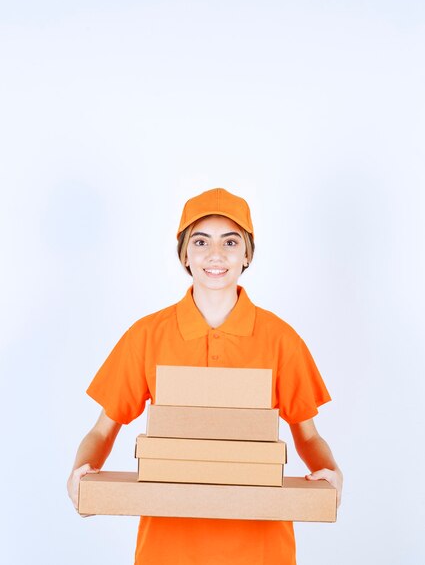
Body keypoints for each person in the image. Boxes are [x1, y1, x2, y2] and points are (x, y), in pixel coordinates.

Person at [67, 187, 343, 565]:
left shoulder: (281, 339)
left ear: (247, 253)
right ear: (184, 254)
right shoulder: (147, 335)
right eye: (201, 241)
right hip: (168, 545)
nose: (216, 255)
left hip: (261, 544)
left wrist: (330, 472)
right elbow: (102, 430)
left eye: (230, 241)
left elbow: (307, 434)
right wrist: (82, 473)